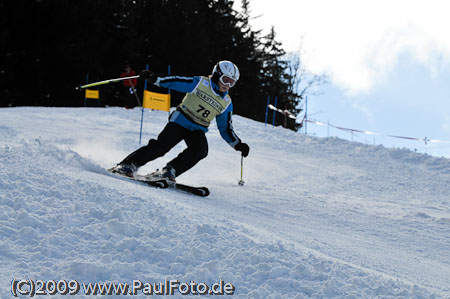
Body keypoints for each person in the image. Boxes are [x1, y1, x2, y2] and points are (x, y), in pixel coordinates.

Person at [110, 60, 250, 182]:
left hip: (197, 129)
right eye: (226, 80)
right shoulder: (201, 83)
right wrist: (156, 79)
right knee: (161, 147)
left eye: (232, 82)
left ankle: (169, 171)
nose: (228, 85)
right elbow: (177, 82)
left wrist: (238, 145)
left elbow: (225, 128)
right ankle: (127, 165)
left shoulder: (226, 103)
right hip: (180, 120)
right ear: (217, 75)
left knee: (201, 150)